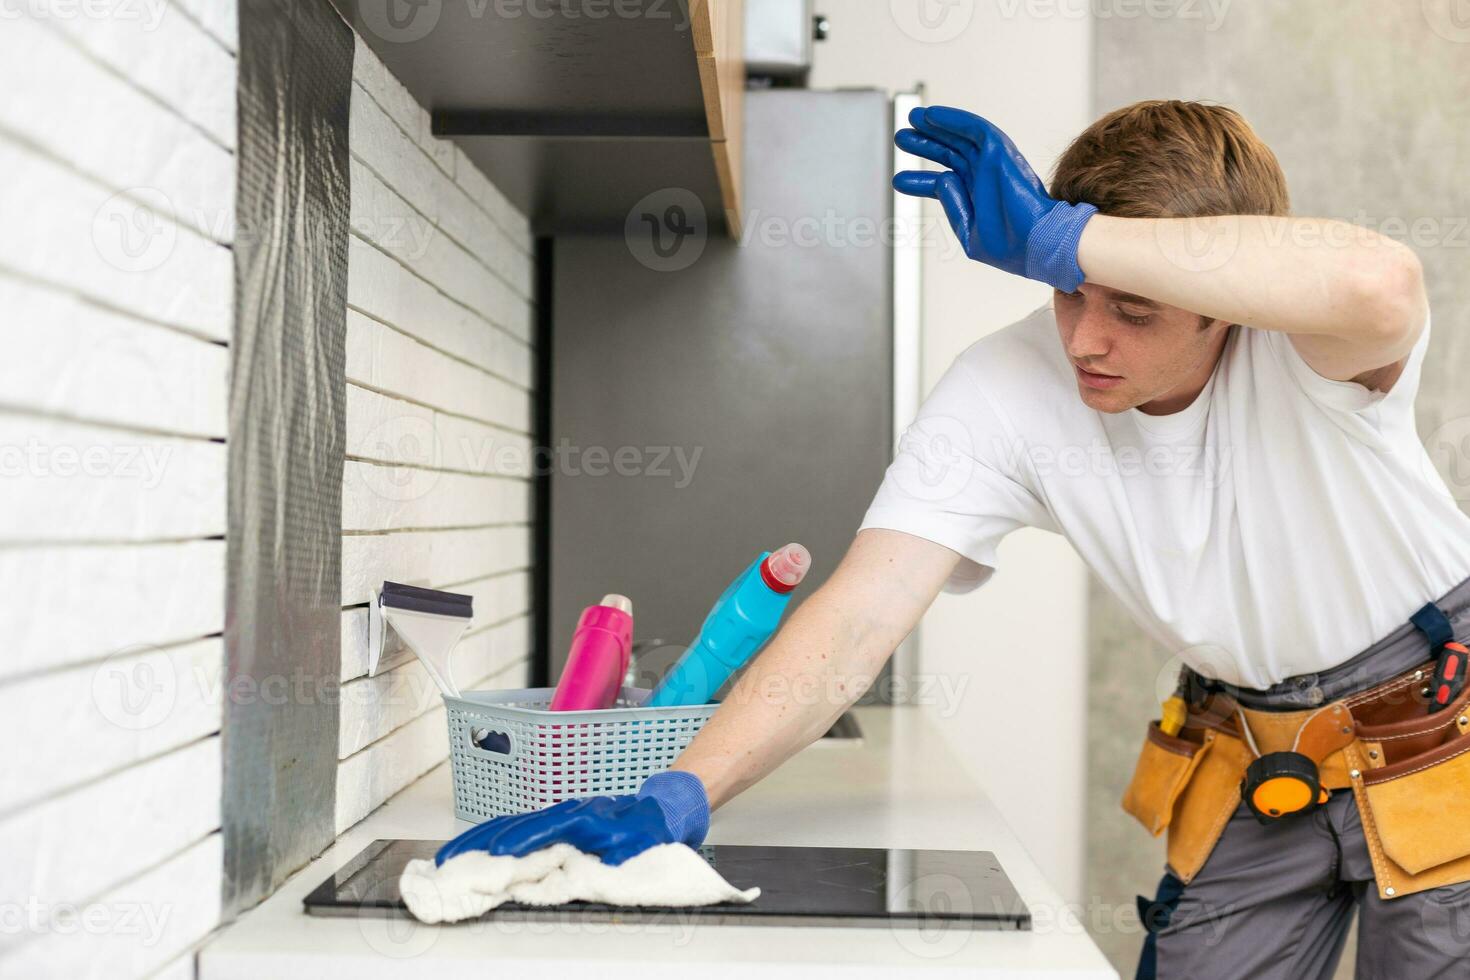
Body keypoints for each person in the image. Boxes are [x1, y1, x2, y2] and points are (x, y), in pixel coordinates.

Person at [439, 100, 1470, 979]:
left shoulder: (1310, 354)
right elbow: (857, 614)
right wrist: (676, 795)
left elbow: (1381, 284)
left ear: (1223, 310)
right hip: (1256, 748)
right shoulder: (1007, 390)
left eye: (1134, 306)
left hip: (1442, 730)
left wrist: (1071, 243)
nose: (1084, 337)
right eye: (1065, 290)